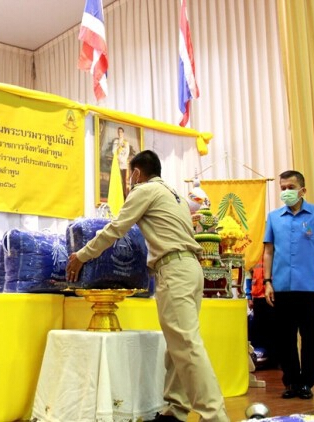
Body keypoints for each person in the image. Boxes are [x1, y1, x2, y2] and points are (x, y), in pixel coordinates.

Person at [66, 150, 229, 422]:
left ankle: (215, 416)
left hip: (174, 269)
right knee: (179, 343)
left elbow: (116, 228)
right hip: (191, 269)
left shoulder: (144, 190)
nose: (129, 182)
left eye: (130, 176)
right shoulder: (174, 194)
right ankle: (175, 410)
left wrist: (81, 255)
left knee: (186, 345)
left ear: (136, 174)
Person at [263, 170, 314, 400]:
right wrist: (267, 281)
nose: (286, 192)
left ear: (302, 190)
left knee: (309, 338)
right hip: (282, 287)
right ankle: (292, 382)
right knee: (286, 339)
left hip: (310, 287)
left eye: (290, 187)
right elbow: (268, 251)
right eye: (282, 188)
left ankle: (306, 383)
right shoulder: (273, 217)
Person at [111, 127, 133, 197]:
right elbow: (113, 151)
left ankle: (123, 195)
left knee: (123, 180)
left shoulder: (126, 142)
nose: (120, 133)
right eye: (119, 132)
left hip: (123, 163)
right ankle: (116, 195)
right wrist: (118, 146)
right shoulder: (116, 142)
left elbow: (127, 153)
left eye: (121, 132)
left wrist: (122, 159)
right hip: (116, 162)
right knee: (116, 179)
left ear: (123, 133)